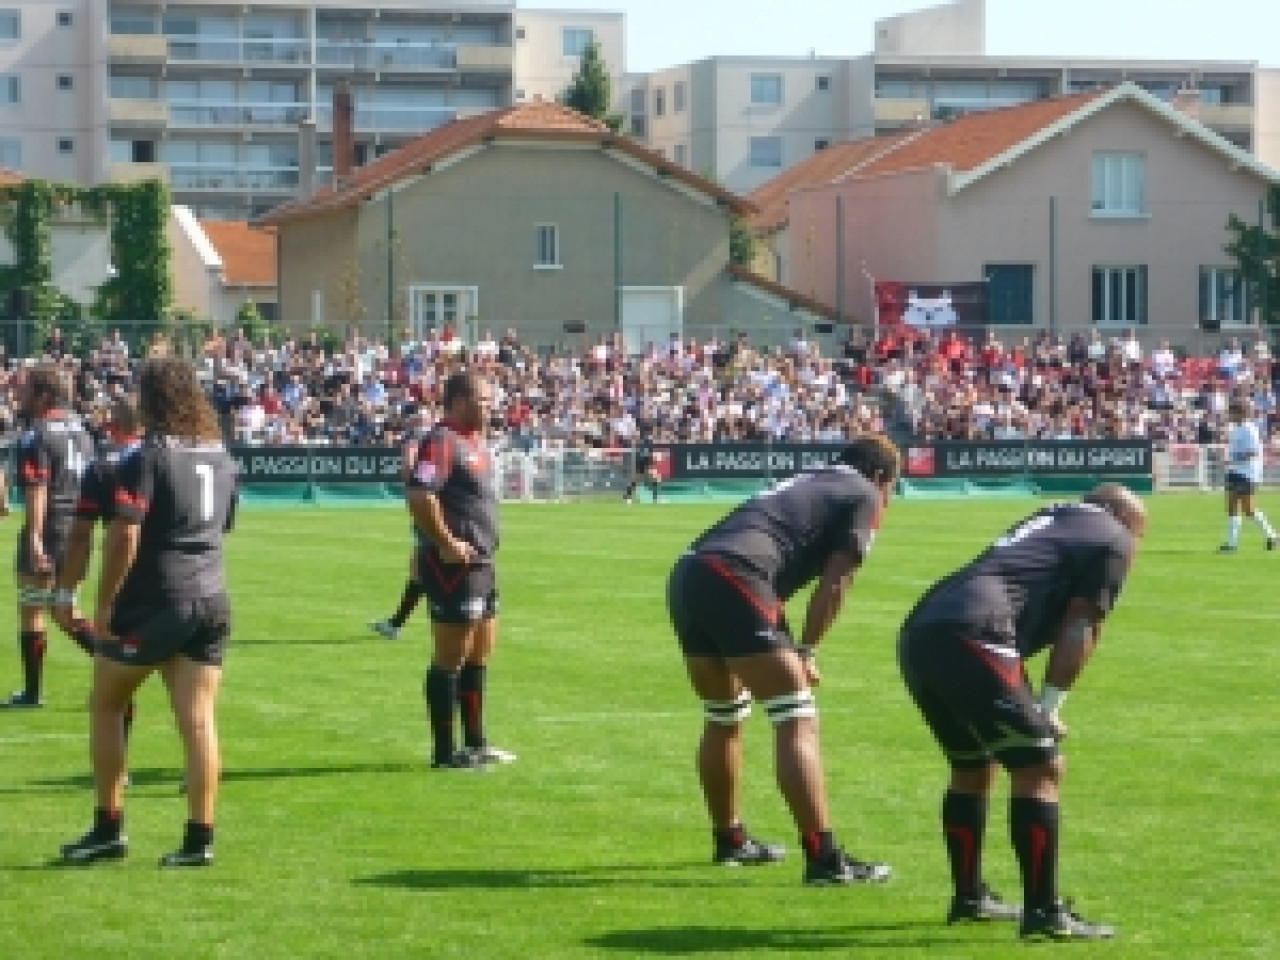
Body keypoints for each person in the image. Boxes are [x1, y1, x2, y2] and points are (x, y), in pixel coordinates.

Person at [897, 484, 1147, 940]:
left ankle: (969, 897)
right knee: (1041, 766)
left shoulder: (1054, 517)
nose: (1134, 551)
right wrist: (1048, 707)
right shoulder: (1113, 534)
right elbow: (1080, 624)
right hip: (975, 631)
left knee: (972, 764)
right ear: (1120, 517)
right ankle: (1043, 912)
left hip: (921, 630)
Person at [666, 435, 900, 883]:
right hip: (736, 574)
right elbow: (836, 582)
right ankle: (823, 858)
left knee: (723, 716)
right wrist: (806, 650)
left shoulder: (813, 480)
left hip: (691, 571)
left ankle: (730, 840)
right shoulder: (864, 492)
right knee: (796, 718)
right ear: (881, 478)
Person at [59, 359, 238, 867]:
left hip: (160, 599)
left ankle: (107, 828)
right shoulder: (221, 455)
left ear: (153, 399)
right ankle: (199, 840)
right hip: (213, 598)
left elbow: (125, 532)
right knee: (199, 722)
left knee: (106, 704)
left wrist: (106, 602)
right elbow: (222, 527)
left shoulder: (150, 455)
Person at [406, 371, 514, 770]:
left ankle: (475, 743)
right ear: (458, 401)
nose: (491, 407)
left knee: (479, 656)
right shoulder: (442, 440)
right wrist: (447, 543)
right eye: (484, 400)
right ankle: (444, 752)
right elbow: (420, 494)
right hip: (456, 568)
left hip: (483, 564)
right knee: (449, 658)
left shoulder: (475, 443)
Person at [50, 398, 144, 757]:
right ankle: (197, 770)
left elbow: (81, 537)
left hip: (128, 582)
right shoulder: (173, 457)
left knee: (116, 679)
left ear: (112, 426)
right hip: (186, 580)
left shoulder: (104, 466)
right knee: (190, 691)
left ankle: (116, 777)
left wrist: (66, 592)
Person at [3, 366, 95, 708]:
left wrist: (35, 538)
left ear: (43, 396)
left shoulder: (36, 434)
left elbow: (38, 489)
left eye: (25, 389)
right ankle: (114, 671)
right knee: (65, 609)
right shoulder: (82, 430)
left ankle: (31, 692)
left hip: (51, 526)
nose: (18, 395)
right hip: (79, 529)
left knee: (33, 610)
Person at [369, 408, 434, 640]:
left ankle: (398, 624)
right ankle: (396, 623)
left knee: (421, 569)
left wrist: (413, 490)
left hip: (426, 510)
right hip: (438, 508)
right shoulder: (438, 437)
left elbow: (408, 469)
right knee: (421, 568)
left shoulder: (415, 441)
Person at [1219, 399, 1276, 552]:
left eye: (1232, 412)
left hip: (1247, 472)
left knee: (1248, 509)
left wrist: (1232, 459)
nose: (1230, 415)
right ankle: (1231, 544)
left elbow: (1253, 452)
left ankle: (1271, 535)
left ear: (1241, 413)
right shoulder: (1235, 429)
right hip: (1234, 470)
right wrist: (1228, 460)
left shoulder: (1250, 429)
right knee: (1231, 506)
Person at [623, 437, 662, 504]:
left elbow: (650, 457)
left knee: (654, 479)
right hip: (640, 465)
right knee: (635, 481)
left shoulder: (647, 448)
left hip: (645, 465)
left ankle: (655, 498)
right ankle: (627, 497)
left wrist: (651, 465)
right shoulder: (640, 448)